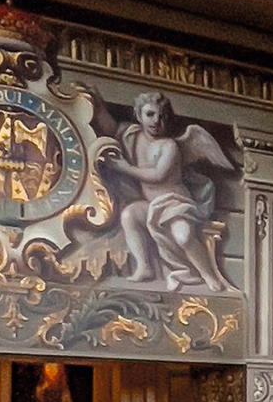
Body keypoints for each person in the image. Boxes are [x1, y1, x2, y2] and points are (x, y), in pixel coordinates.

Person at [99, 92, 237, 292]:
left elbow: (157, 175)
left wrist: (123, 167)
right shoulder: (132, 136)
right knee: (129, 215)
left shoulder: (169, 146)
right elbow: (109, 127)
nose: (156, 121)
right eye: (150, 114)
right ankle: (144, 267)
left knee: (183, 236)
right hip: (150, 205)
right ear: (138, 115)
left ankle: (208, 274)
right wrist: (95, 100)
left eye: (162, 116)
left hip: (175, 203)